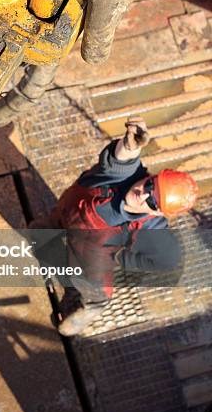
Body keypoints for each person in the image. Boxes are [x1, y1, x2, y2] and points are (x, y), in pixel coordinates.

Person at [29, 116, 198, 337]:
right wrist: (129, 147)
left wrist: (120, 259)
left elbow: (169, 260)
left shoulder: (152, 230)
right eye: (150, 184)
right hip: (66, 214)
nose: (142, 193)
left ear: (158, 212)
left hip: (93, 254)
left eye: (153, 201)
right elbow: (122, 161)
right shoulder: (121, 177)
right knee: (38, 233)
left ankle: (90, 306)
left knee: (91, 286)